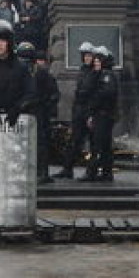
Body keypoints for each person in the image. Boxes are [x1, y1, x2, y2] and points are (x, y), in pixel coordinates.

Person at [18, 42, 61, 183]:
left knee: (40, 143)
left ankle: (42, 172)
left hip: (38, 112)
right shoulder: (16, 72)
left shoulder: (41, 73)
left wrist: (45, 107)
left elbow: (53, 94)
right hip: (22, 112)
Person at [56, 42, 98, 179]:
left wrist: (91, 114)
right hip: (79, 111)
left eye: (89, 56)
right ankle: (67, 168)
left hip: (89, 111)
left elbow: (94, 94)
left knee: (93, 143)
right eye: (85, 56)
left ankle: (91, 172)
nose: (87, 58)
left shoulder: (96, 72)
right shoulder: (83, 71)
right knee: (74, 141)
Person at [84, 45, 119, 183]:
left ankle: (94, 172)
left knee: (98, 144)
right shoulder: (99, 74)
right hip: (100, 114)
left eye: (99, 60)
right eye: (95, 60)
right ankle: (105, 172)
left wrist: (94, 104)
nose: (96, 62)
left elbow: (106, 94)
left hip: (104, 114)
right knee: (103, 145)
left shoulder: (107, 75)